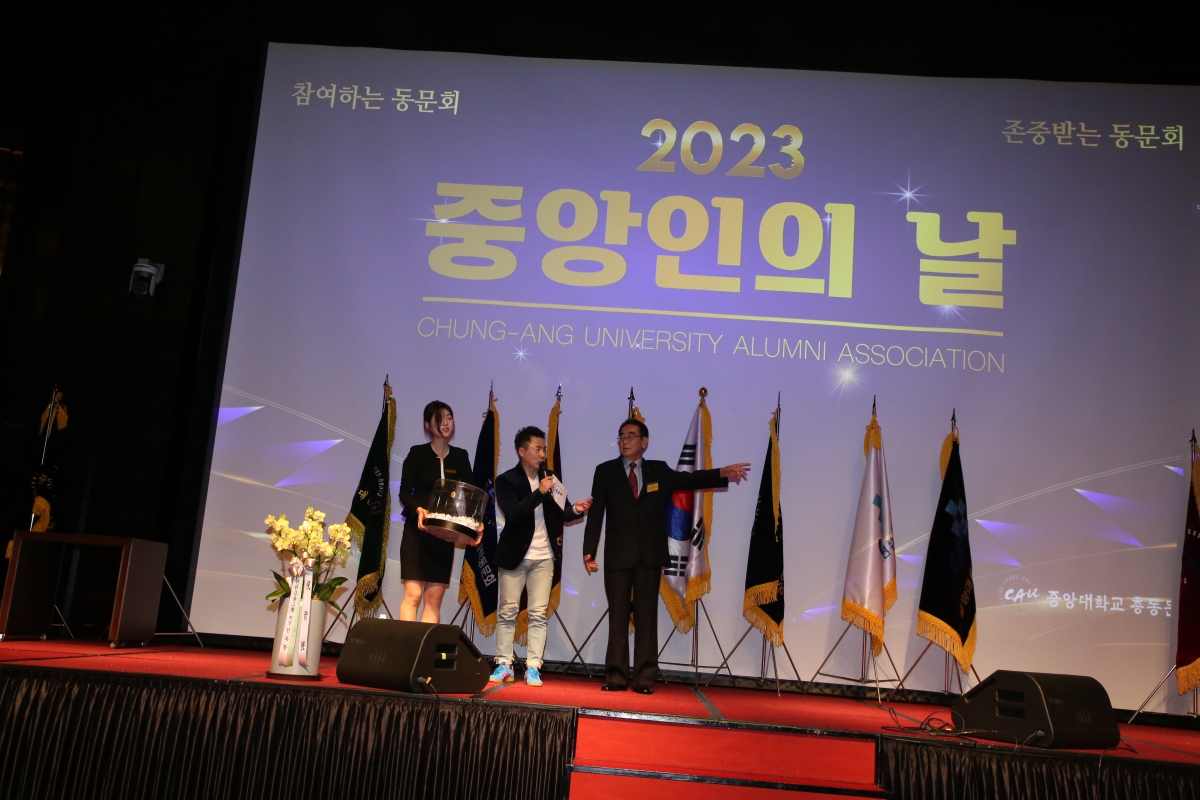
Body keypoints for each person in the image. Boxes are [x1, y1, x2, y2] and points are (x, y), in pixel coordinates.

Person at [583, 418, 750, 693]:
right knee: (618, 618)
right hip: (618, 556)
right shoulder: (605, 471)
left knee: (647, 619)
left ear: (644, 442)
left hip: (649, 557)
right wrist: (588, 549)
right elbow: (596, 513)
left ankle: (644, 679)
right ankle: (615, 677)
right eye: (621, 436)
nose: (625, 441)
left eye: (631, 436)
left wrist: (721, 472)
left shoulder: (658, 470)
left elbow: (690, 479)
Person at [490, 426, 593, 687]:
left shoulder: (550, 477)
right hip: (514, 555)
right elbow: (513, 513)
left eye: (544, 449)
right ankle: (504, 664)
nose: (543, 454)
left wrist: (577, 508)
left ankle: (533, 666)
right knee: (508, 611)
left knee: (537, 614)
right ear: (521, 451)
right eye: (538, 449)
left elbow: (563, 512)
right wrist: (539, 492)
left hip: (544, 555)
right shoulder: (506, 480)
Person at [397, 400, 481, 623]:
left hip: (444, 535)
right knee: (413, 595)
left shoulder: (460, 456)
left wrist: (476, 522)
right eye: (439, 418)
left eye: (449, 417)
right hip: (417, 532)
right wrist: (417, 509)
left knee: (433, 599)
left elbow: (471, 494)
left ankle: (425, 646)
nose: (445, 423)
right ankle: (406, 644)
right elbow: (404, 493)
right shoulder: (417, 453)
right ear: (427, 425)